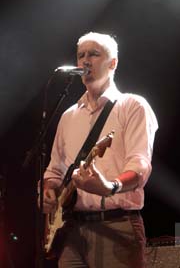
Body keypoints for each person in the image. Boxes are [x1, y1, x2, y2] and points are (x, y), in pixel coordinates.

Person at [42, 32, 158, 268]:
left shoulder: (132, 106)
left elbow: (140, 165)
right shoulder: (67, 116)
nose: (85, 61)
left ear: (112, 63)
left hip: (117, 225)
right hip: (71, 230)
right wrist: (48, 189)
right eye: (81, 55)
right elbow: (55, 171)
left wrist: (109, 186)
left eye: (94, 54)